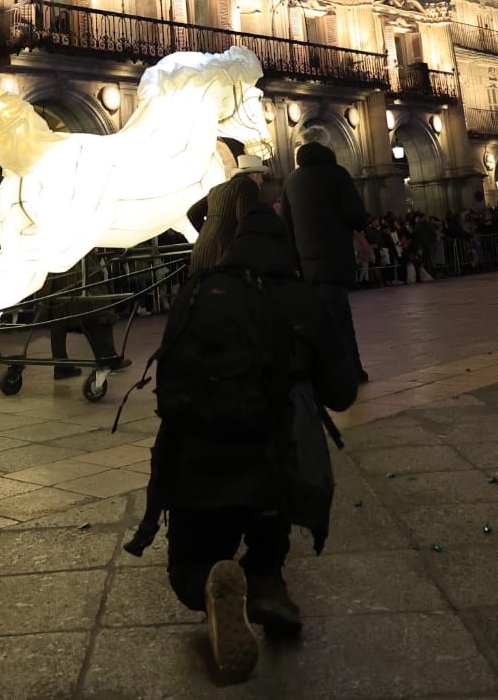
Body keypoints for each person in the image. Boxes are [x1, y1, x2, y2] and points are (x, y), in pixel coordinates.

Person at [129, 203, 357, 683]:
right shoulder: (301, 296)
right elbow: (342, 392)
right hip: (270, 471)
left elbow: (168, 382)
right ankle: (265, 579)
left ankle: (207, 584)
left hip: (193, 465)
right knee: (271, 503)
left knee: (186, 570)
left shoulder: (198, 291)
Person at [281, 128, 368, 384]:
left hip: (306, 266)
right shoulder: (337, 174)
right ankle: (340, 374)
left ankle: (347, 370)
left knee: (325, 316)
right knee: (337, 320)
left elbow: (286, 225)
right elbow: (356, 215)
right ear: (326, 146)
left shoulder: (291, 181)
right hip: (335, 260)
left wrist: (295, 262)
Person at [188, 143, 266, 276]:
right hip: (223, 255)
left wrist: (208, 235)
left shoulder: (218, 189)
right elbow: (245, 221)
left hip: (200, 252)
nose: (262, 181)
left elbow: (193, 213)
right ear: (254, 174)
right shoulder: (248, 185)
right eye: (261, 176)